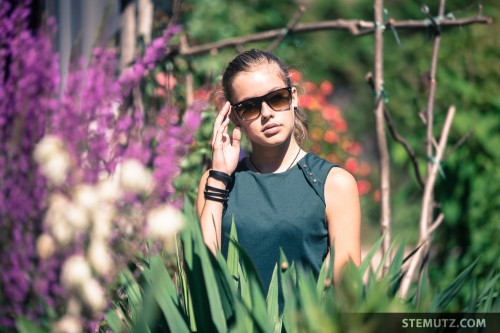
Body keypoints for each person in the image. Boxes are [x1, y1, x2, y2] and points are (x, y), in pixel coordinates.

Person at [196, 49, 361, 304]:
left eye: (276, 98)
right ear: (235, 116)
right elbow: (205, 276)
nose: (266, 113)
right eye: (249, 106)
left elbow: (349, 295)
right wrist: (219, 177)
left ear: (293, 97)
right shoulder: (217, 182)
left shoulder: (333, 183)